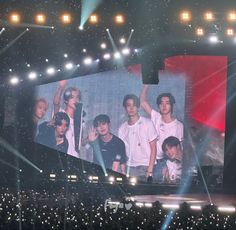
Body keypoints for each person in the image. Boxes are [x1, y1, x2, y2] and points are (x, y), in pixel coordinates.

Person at [140, 84, 183, 182]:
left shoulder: (179, 126)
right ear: (158, 106)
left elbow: (180, 149)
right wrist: (146, 85)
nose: (164, 106)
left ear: (171, 105)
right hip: (152, 161)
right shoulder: (156, 117)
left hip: (169, 162)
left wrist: (174, 166)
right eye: (161, 103)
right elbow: (143, 102)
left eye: (167, 103)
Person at [118, 94, 157, 180]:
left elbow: (153, 148)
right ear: (125, 108)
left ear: (138, 107)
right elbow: (121, 152)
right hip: (130, 168)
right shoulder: (122, 128)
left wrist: (150, 171)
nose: (131, 108)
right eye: (128, 105)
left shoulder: (148, 123)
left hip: (146, 166)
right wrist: (123, 169)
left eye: (134, 105)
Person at [53, 80, 82, 158]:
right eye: (72, 97)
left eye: (77, 97)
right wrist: (61, 87)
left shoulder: (79, 121)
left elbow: (77, 143)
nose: (75, 100)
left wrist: (88, 139)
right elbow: (56, 103)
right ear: (66, 100)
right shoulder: (60, 113)